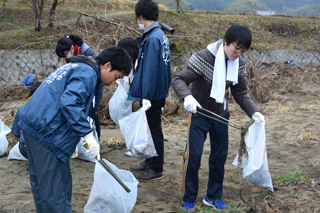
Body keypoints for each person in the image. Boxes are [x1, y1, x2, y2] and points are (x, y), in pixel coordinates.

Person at [14, 46, 132, 212]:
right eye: (116, 76)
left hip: (32, 126)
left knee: (42, 186)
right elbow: (70, 102)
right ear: (107, 65)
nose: (114, 82)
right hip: (47, 133)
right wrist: (87, 134)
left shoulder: (76, 66)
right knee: (56, 192)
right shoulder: (88, 73)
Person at [171, 24, 265, 211]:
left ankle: (213, 196)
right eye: (236, 48)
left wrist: (255, 112)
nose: (238, 53)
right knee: (194, 156)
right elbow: (178, 79)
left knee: (219, 157)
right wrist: (187, 96)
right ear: (225, 42)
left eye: (243, 51)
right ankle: (188, 198)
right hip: (199, 113)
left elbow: (241, 93)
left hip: (221, 114)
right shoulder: (203, 58)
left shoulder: (239, 64)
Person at [128, 0, 171, 181]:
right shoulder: (158, 34)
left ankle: (156, 167)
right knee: (151, 128)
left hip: (153, 93)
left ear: (141, 16)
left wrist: (146, 96)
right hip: (157, 90)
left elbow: (151, 69)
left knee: (154, 129)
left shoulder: (153, 37)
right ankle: (150, 161)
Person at [56, 34, 103, 140]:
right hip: (80, 85)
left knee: (93, 111)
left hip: (95, 85)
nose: (66, 57)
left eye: (66, 54)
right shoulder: (70, 55)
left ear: (72, 48)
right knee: (80, 110)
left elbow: (98, 72)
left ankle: (96, 138)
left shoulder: (88, 53)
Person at [117, 36, 139, 157]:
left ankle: (137, 146)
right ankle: (133, 146)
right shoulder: (128, 64)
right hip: (129, 96)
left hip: (136, 97)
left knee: (136, 121)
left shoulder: (138, 63)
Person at [12, 81, 42, 159]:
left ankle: (32, 162)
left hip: (25, 148)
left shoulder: (22, 109)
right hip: (47, 148)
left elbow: (16, 132)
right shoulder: (51, 107)